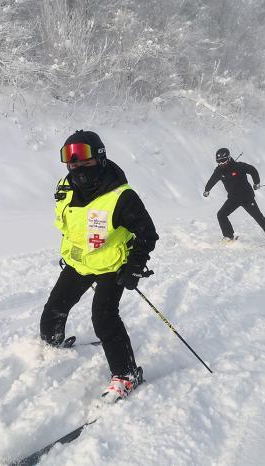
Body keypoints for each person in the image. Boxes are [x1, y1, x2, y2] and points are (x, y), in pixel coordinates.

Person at [41, 130, 159, 403]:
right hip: (79, 262)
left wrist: (134, 266)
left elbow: (147, 234)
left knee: (103, 317)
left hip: (111, 265)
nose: (77, 167)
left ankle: (126, 374)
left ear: (100, 158)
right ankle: (51, 346)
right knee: (53, 311)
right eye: (71, 161)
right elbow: (71, 223)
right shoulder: (66, 187)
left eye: (84, 160)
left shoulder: (121, 196)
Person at [203, 148, 265, 251]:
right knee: (221, 214)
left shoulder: (238, 166)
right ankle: (228, 236)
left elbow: (253, 170)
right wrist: (207, 190)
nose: (221, 163)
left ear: (229, 158)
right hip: (233, 199)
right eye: (219, 161)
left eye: (223, 160)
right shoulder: (219, 170)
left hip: (246, 197)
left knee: (259, 217)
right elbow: (212, 180)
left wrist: (256, 182)